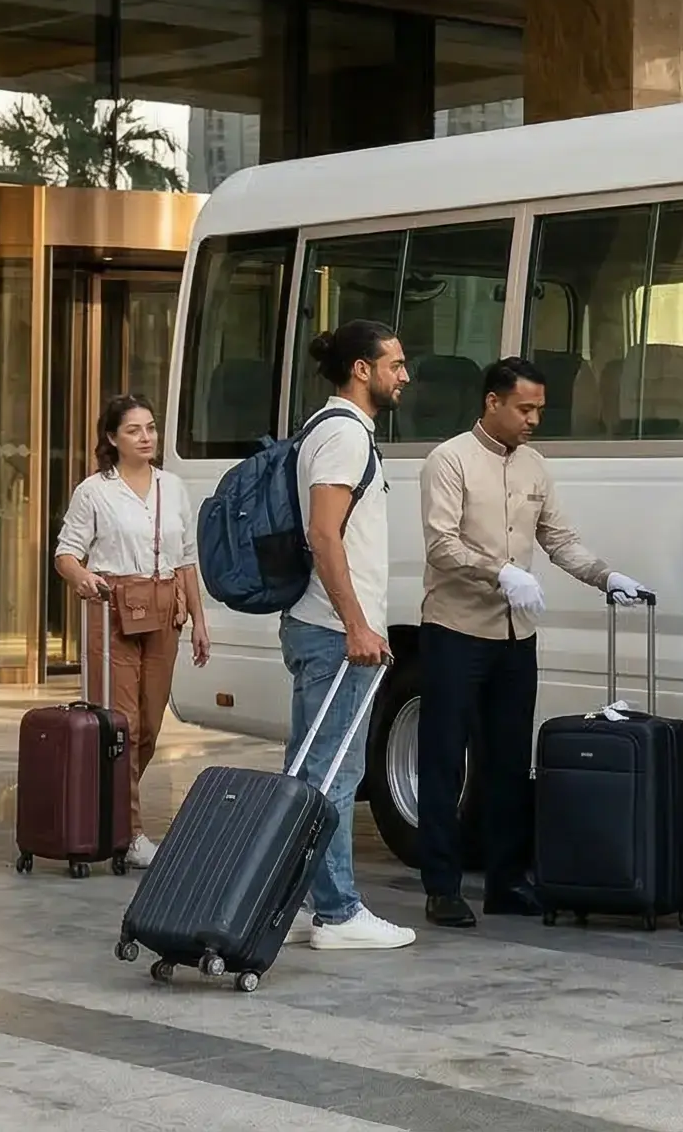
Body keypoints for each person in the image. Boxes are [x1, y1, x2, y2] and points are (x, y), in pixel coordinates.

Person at [417, 356, 648, 928]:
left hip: (516, 635)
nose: (534, 420)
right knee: (444, 760)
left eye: (540, 410)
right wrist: (499, 572)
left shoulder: (535, 467)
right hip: (455, 630)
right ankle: (442, 886)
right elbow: (441, 545)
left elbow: (559, 538)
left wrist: (605, 577)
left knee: (510, 761)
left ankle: (506, 882)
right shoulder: (449, 460)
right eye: (524, 409)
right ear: (492, 402)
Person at [281, 319, 416, 951]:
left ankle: (298, 903)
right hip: (334, 633)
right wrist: (357, 624)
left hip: (322, 626)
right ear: (362, 370)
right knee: (334, 773)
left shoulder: (330, 428)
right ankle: (337, 913)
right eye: (395, 364)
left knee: (312, 770)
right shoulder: (343, 435)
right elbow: (324, 534)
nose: (404, 376)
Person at [53, 394, 208, 868]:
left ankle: (109, 810)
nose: (146, 437)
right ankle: (130, 831)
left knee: (151, 727)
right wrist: (83, 578)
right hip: (114, 608)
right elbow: (65, 554)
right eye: (134, 430)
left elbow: (186, 559)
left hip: (165, 608)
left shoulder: (172, 487)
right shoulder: (94, 491)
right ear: (112, 438)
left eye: (151, 428)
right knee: (124, 723)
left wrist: (200, 620)